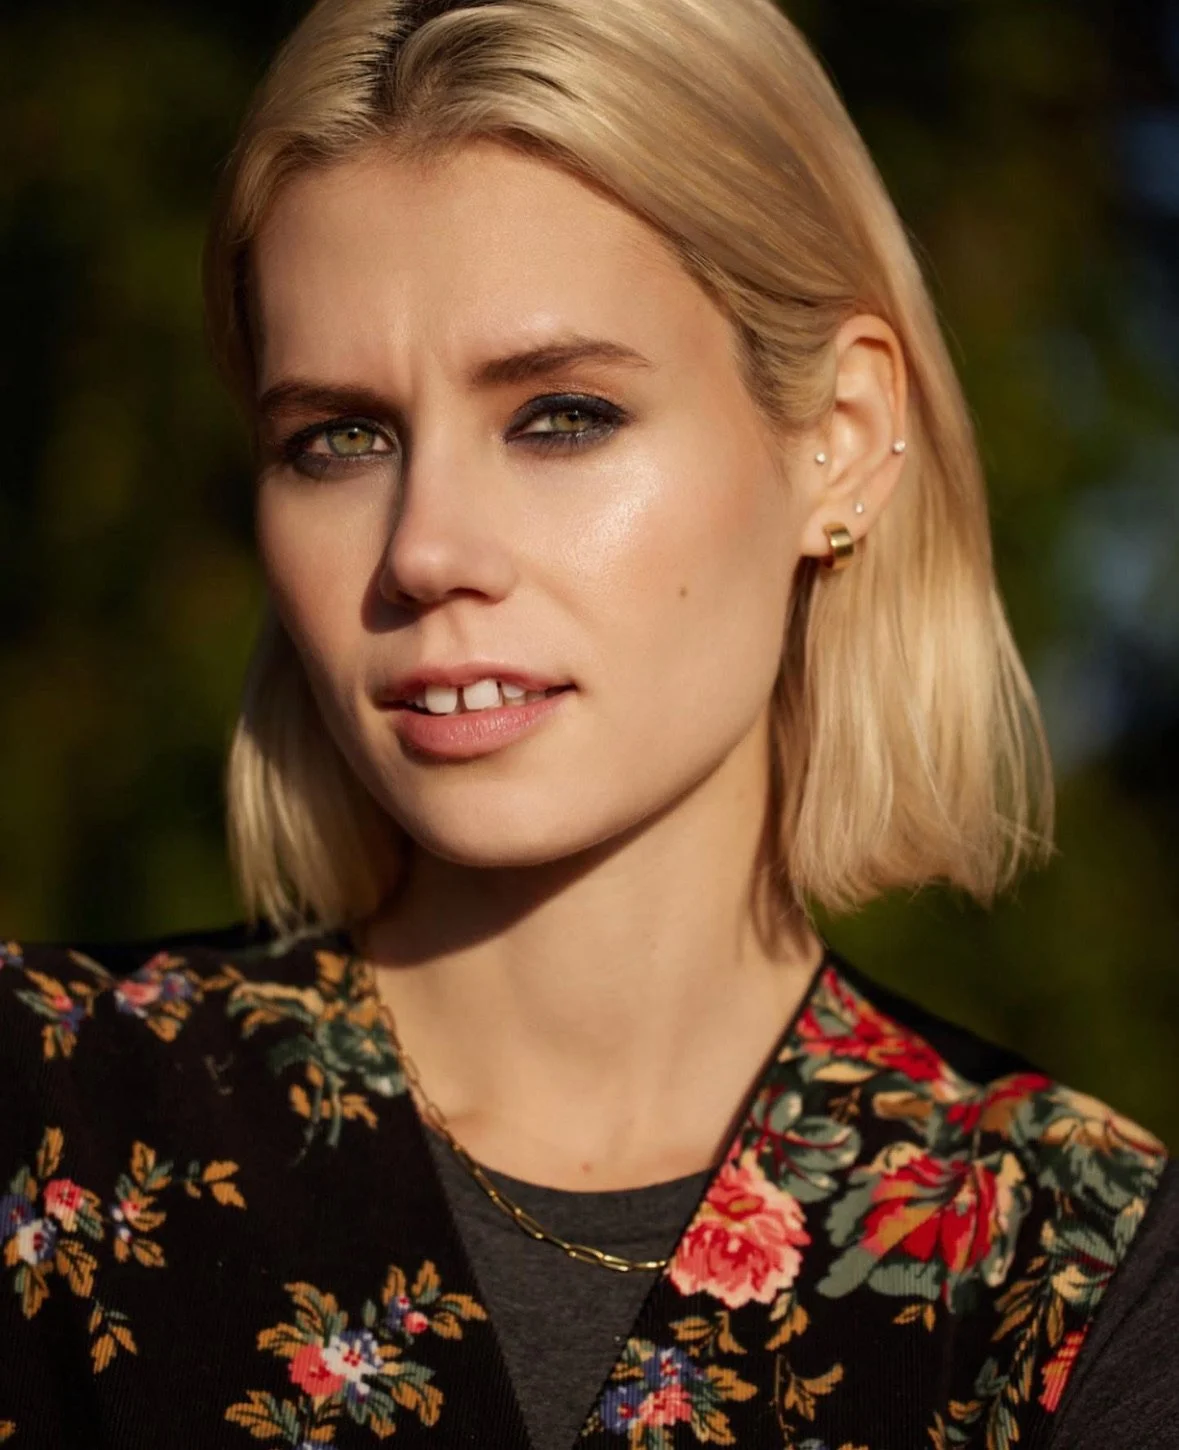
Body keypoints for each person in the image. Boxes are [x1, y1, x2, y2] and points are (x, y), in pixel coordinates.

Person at [1, 0, 1174, 1445]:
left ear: (841, 439)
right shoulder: (45, 1110)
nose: (426, 548)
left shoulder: (1066, 1269)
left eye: (559, 413)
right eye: (337, 438)